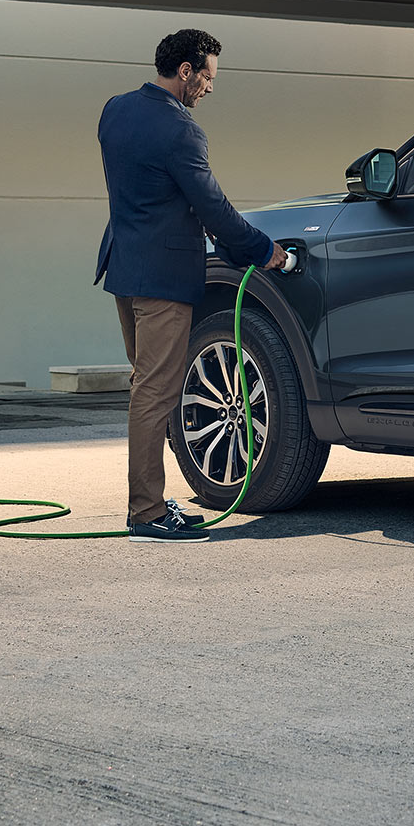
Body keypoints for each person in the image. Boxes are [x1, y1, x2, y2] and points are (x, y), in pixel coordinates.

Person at [96, 29, 285, 542]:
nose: (208, 88)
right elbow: (213, 209)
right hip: (163, 279)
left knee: (146, 386)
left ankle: (151, 501)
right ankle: (147, 513)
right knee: (154, 392)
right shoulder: (182, 131)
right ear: (186, 71)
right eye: (207, 76)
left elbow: (151, 194)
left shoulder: (115, 110)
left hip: (124, 269)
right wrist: (266, 251)